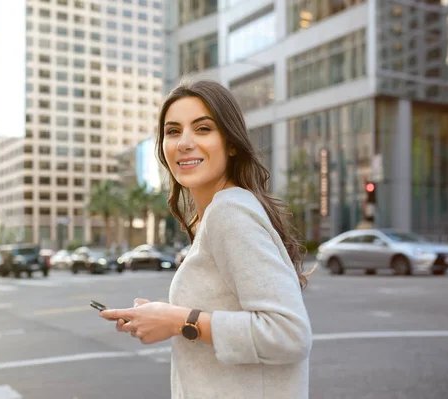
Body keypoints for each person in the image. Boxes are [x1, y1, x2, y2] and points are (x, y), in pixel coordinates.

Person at [100, 80, 312, 399]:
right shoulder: (221, 212)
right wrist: (161, 315)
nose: (184, 143)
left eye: (202, 129)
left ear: (230, 142)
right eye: (173, 131)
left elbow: (289, 335)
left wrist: (178, 320)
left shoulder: (230, 213)